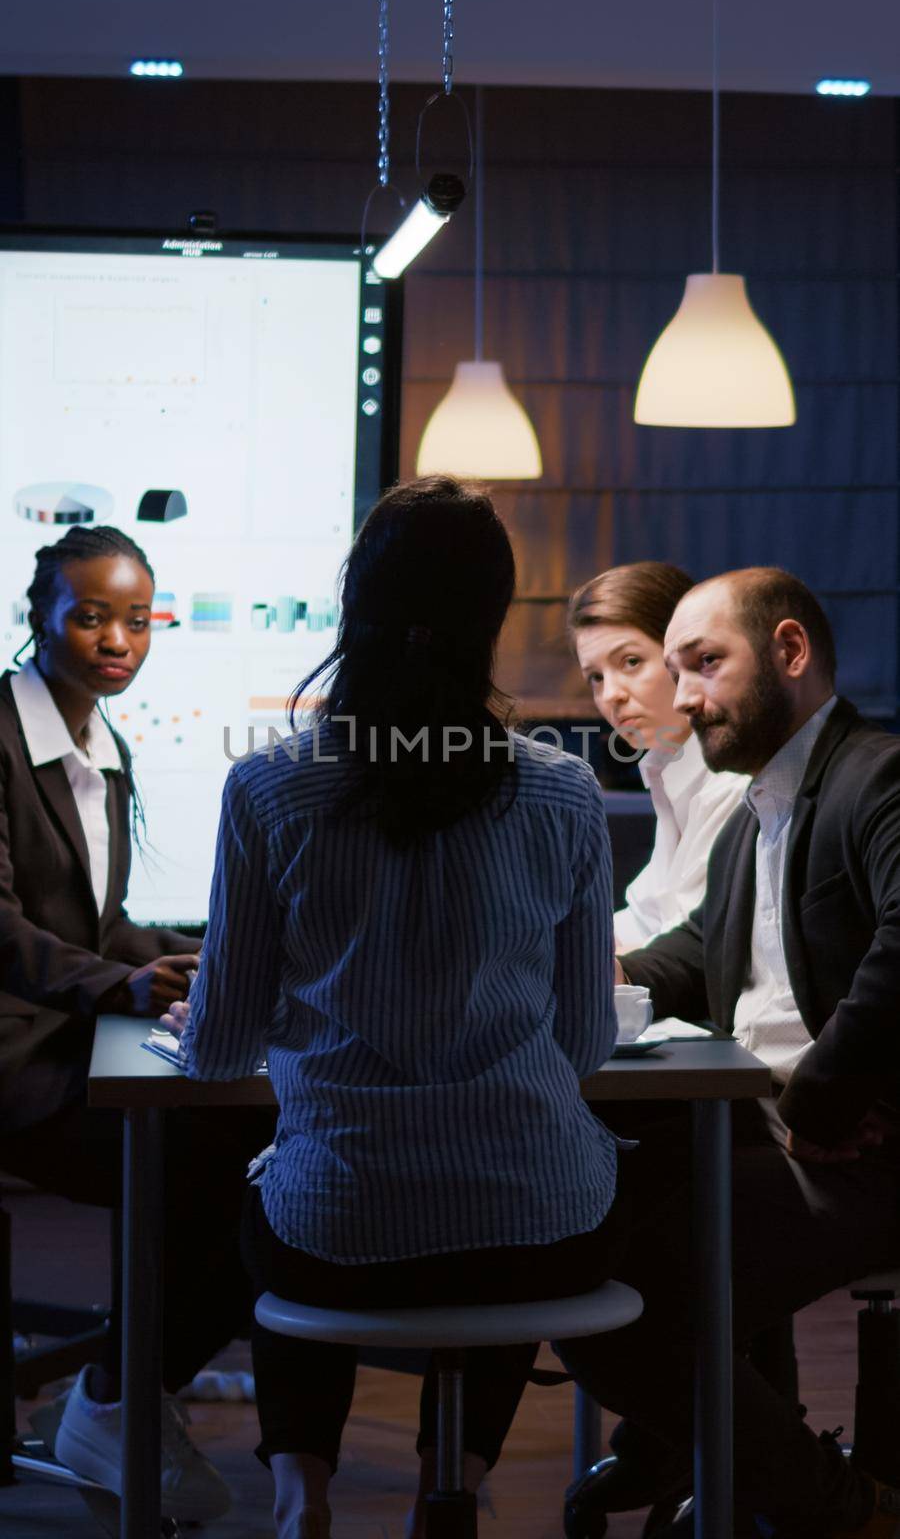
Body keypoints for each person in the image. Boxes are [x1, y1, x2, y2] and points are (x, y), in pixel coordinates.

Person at [169, 476, 627, 1539]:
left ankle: (302, 1498)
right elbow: (586, 1043)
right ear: (492, 622)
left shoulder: (270, 789)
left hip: (336, 1231)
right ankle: (451, 1486)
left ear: (351, 604)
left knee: (288, 1180)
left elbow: (217, 1051)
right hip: (544, 1235)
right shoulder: (563, 791)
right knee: (522, 1189)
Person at [559, 567, 900, 1539]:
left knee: (612, 1303)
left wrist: (825, 1100)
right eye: (676, 668)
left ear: (790, 653)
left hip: (851, 1153)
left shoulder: (878, 775)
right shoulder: (759, 811)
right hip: (765, 1131)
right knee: (573, 1224)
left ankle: (835, 1508)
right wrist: (552, 971)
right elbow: (693, 955)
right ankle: (746, 1471)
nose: (686, 694)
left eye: (705, 664)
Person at [0, 525, 268, 1523]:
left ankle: (120, 1389)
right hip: (17, 1062)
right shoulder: (2, 730)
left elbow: (97, 922)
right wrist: (119, 986)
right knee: (231, 1163)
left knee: (262, 1149)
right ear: (40, 616)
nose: (118, 638)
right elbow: (3, 926)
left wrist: (223, 940)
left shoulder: (96, 742)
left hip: (70, 1041)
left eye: (136, 618)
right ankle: (117, 1394)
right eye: (91, 615)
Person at [569, 561, 746, 949]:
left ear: (686, 655)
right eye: (596, 677)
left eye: (630, 662)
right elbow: (646, 918)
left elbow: (687, 945)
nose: (611, 694)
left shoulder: (735, 782)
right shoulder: (666, 767)